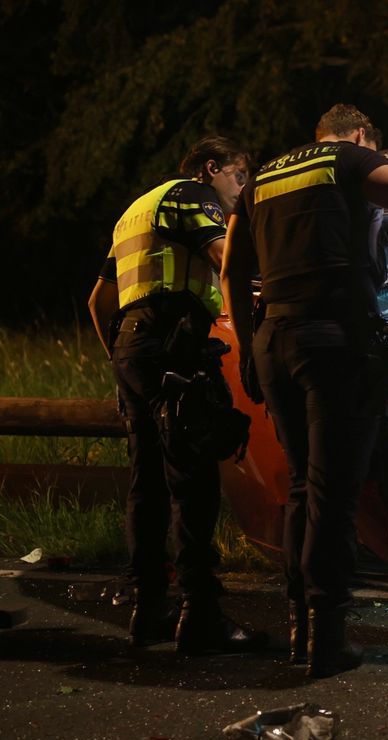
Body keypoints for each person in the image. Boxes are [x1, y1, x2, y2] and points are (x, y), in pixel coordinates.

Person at [221, 105, 388, 678]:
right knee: (333, 494)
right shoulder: (348, 158)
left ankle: (300, 629)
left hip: (273, 341)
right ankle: (327, 638)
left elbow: (232, 272)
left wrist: (247, 350)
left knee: (301, 485)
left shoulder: (264, 177)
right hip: (336, 338)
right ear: (361, 135)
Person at [88, 136, 268, 654]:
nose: (242, 190)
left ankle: (148, 609)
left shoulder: (135, 211)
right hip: (174, 341)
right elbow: (225, 258)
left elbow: (98, 301)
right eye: (239, 176)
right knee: (193, 478)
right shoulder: (193, 195)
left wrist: (120, 358)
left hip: (132, 346)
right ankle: (200, 613)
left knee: (146, 482)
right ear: (211, 169)